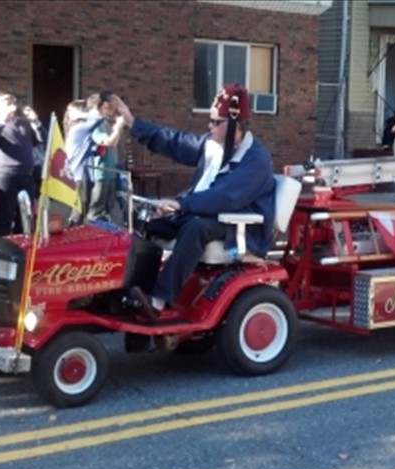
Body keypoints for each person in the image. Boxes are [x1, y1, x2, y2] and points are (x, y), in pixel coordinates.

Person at [112, 84, 276, 323]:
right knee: (148, 222)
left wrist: (181, 204)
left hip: (241, 224)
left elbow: (225, 198)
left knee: (196, 228)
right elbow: (175, 142)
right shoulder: (214, 144)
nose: (209, 127)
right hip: (208, 213)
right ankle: (136, 291)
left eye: (215, 122)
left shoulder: (256, 160)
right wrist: (133, 123)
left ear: (235, 126)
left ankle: (159, 299)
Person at [0, 91, 46, 236]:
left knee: (25, 212)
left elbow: (42, 139)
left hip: (27, 174)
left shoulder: (23, 123)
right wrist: (2, 120)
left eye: (13, 102)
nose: (12, 105)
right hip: (7, 174)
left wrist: (35, 122)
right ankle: (3, 242)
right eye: (7, 102)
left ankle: (22, 240)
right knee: (6, 210)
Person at [86, 92, 125, 222]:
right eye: (106, 108)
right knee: (96, 209)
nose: (109, 112)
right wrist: (118, 127)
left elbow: (115, 142)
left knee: (109, 208)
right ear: (98, 108)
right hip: (100, 172)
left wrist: (116, 128)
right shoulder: (94, 124)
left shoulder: (106, 123)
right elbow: (108, 142)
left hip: (110, 171)